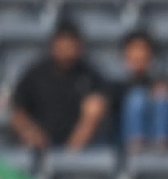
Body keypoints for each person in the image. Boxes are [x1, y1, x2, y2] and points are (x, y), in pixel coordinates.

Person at [10, 19, 108, 150]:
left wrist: (72, 149)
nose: (67, 47)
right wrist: (32, 134)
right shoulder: (35, 74)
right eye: (63, 42)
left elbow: (97, 108)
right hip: (39, 146)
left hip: (80, 148)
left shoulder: (90, 76)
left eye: (71, 42)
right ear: (53, 44)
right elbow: (18, 113)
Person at [111, 29, 168, 153]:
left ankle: (161, 146)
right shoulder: (115, 82)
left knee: (163, 99)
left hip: (156, 137)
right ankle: (135, 145)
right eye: (134, 49)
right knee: (137, 97)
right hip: (123, 140)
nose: (139, 54)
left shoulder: (163, 80)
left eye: (143, 49)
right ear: (125, 54)